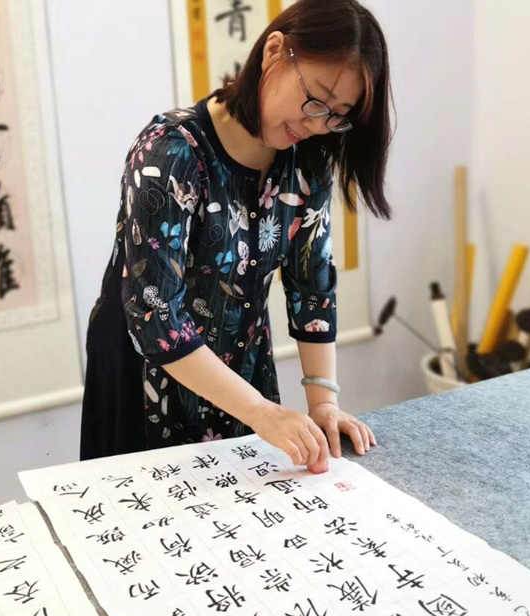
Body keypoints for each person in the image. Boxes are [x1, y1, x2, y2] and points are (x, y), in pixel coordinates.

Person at [80, 0, 392, 473]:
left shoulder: (306, 162)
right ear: (274, 51)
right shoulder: (171, 152)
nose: (316, 124)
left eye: (337, 115)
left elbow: (311, 286)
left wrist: (323, 401)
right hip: (147, 377)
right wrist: (261, 412)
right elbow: (156, 314)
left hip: (242, 370)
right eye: (315, 99)